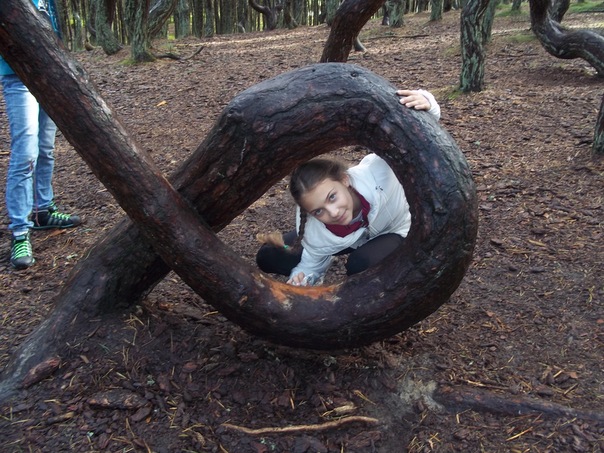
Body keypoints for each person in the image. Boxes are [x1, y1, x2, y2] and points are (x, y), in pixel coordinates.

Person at [256, 89, 440, 286]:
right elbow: (311, 265)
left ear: (344, 180)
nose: (333, 212)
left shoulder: (381, 171)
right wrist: (302, 279)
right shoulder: (314, 228)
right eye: (318, 211)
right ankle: (334, 250)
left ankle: (381, 260)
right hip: (349, 239)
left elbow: (416, 135)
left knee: (360, 265)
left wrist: (427, 103)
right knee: (269, 255)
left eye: (332, 197)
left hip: (395, 229)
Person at [1, 0, 81, 270]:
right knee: (26, 152)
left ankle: (42, 210)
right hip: (17, 74)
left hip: (49, 72)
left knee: (46, 148)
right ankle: (20, 231)